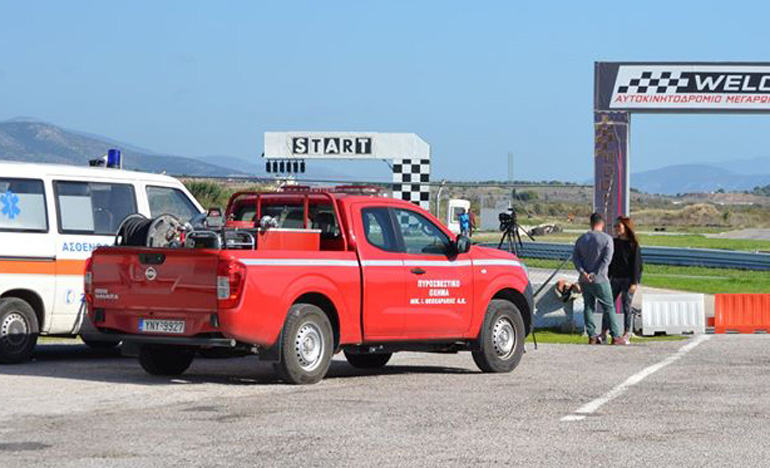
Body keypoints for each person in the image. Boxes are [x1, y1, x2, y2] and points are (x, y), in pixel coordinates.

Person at [572, 212, 625, 345]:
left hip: (584, 279)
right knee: (608, 306)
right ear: (602, 223)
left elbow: (575, 259)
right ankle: (615, 336)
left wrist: (583, 272)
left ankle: (592, 336)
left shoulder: (581, 239)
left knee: (588, 307)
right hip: (600, 279)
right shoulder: (607, 239)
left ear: (591, 223)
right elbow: (606, 260)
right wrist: (594, 274)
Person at [602, 216, 643, 343]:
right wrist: (607, 277)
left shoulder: (633, 245)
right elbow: (610, 262)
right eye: (615, 226)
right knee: (608, 305)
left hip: (628, 280)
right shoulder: (613, 243)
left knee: (626, 306)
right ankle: (604, 332)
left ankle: (626, 333)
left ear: (626, 228)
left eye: (618, 226)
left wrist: (634, 282)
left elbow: (637, 266)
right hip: (614, 279)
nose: (616, 229)